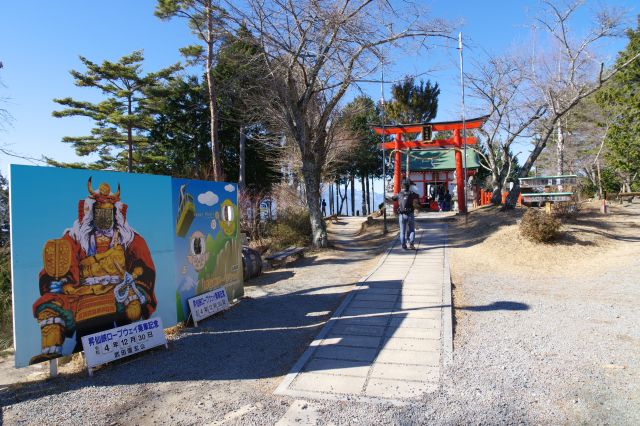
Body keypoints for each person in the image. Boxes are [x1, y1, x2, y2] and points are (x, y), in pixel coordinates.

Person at [30, 178, 157, 364]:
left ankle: (127, 347)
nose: (104, 218)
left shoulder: (128, 237)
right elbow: (61, 262)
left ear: (115, 214)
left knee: (131, 305)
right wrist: (61, 282)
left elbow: (143, 264)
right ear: (91, 213)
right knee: (51, 303)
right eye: (100, 213)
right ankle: (53, 351)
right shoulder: (75, 237)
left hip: (119, 288)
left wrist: (137, 283)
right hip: (84, 291)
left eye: (108, 213)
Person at [391, 179, 420, 250]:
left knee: (402, 231)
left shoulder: (399, 194)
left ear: (402, 186)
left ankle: (403, 245)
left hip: (402, 214)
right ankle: (411, 244)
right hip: (410, 214)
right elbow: (418, 196)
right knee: (412, 230)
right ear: (409, 186)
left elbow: (393, 198)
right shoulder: (412, 193)